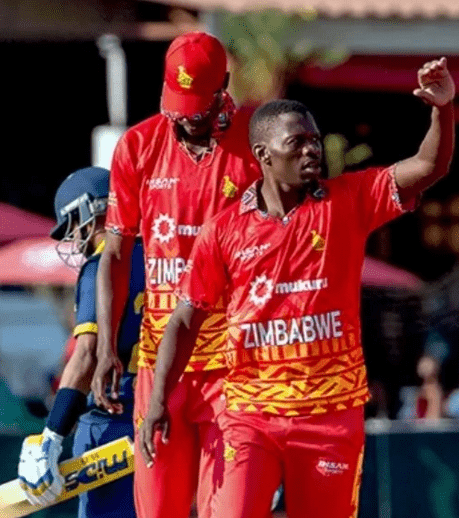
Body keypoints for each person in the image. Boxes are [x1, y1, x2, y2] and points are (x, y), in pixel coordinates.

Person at [139, 57, 455, 518]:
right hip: (249, 416)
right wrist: (157, 400)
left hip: (330, 417)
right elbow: (185, 319)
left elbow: (429, 165)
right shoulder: (223, 230)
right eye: (297, 142)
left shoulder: (348, 201)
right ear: (264, 155)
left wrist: (442, 109)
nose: (312, 150)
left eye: (314, 140)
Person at [91, 32, 261, 518]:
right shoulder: (137, 146)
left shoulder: (258, 145)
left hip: (236, 366)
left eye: (197, 109)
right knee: (157, 510)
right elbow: (116, 253)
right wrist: (107, 346)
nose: (185, 120)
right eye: (177, 108)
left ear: (223, 85)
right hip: (159, 365)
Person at [18, 166, 145, 518]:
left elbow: (87, 353)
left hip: (112, 421)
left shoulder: (103, 264)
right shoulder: (167, 259)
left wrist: (51, 436)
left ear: (91, 209)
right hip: (164, 419)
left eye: (74, 225)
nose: (75, 237)